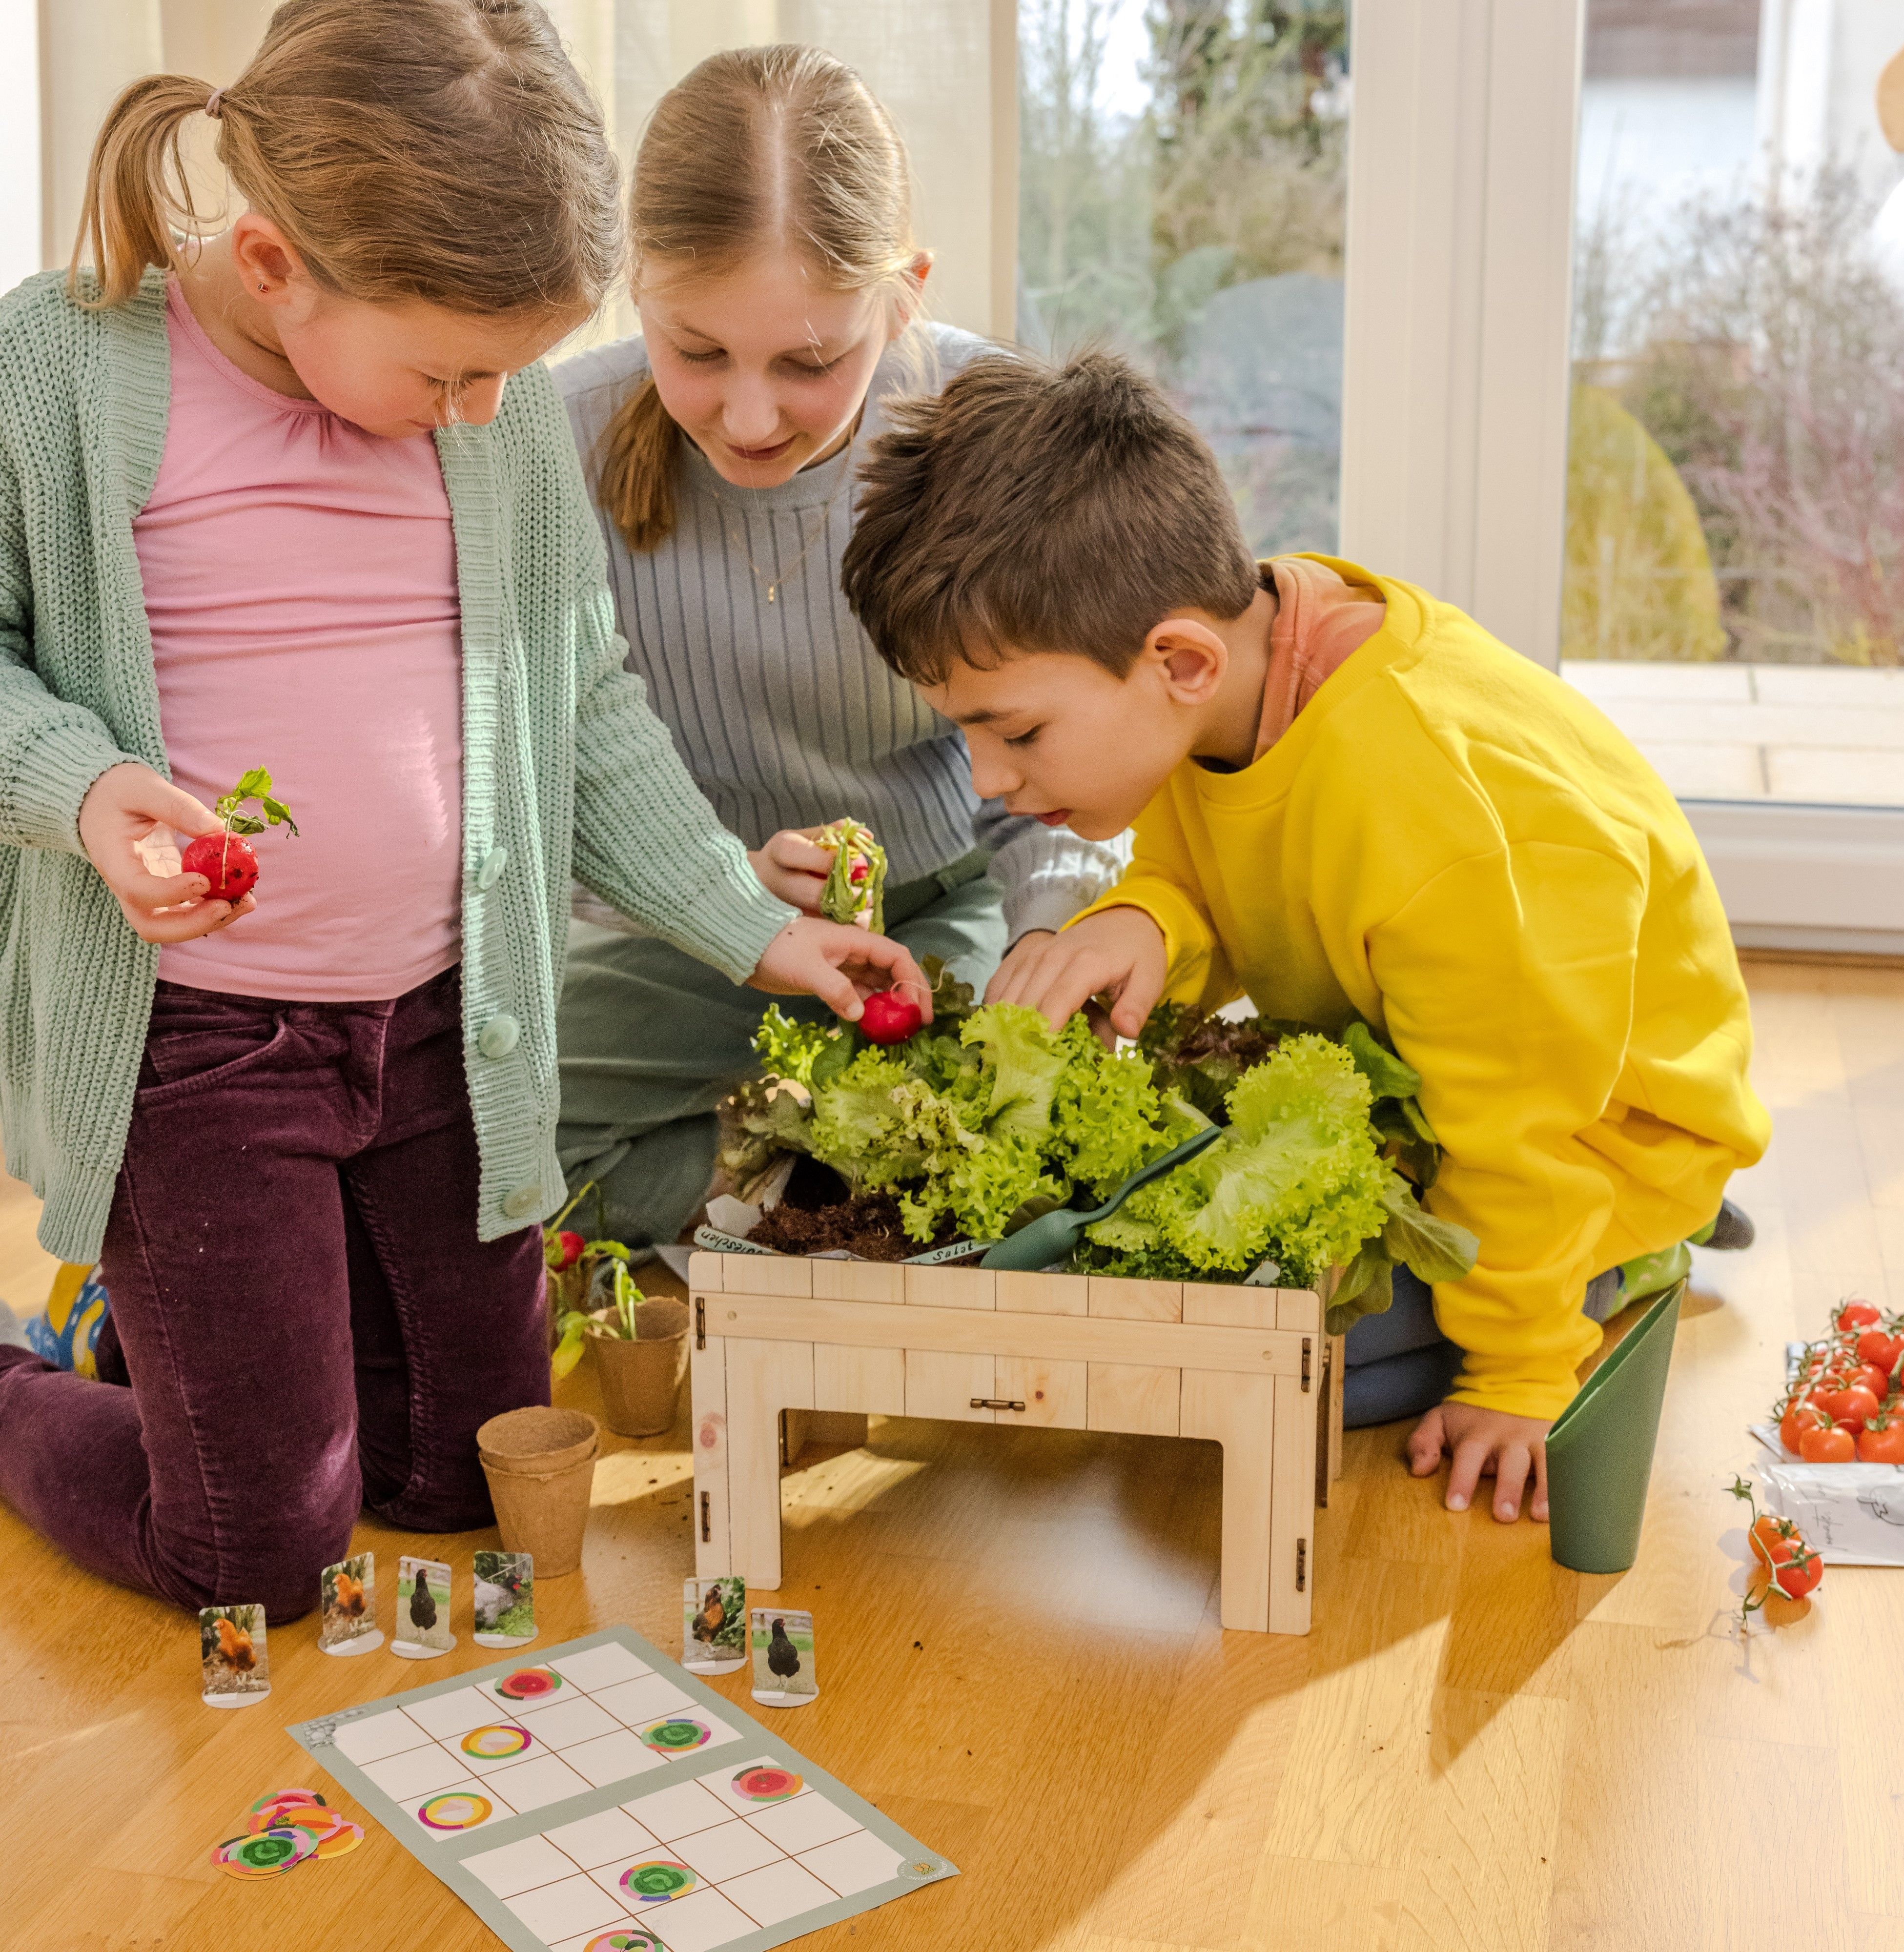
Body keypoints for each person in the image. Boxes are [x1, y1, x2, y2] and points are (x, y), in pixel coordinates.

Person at [0, 0, 922, 1623]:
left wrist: (755, 931)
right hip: (201, 1051)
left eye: (516, 369)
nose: (495, 412)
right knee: (265, 1560)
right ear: (279, 265)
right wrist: (82, 796)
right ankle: (31, 1386)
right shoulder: (57, 365)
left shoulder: (483, 430)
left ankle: (201, 1354)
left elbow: (584, 711)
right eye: (452, 370)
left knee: (464, 1477)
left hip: (450, 1034)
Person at [839, 349, 1772, 1525]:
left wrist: (1518, 1376)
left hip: (1582, 1130)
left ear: (1178, 660)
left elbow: (1517, 1129)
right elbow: (1221, 864)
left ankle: (1635, 1240)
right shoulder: (1233, 668)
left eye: (1015, 729)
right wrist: (1141, 916)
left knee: (1277, 1368)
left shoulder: (1445, 818)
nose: (986, 776)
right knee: (1207, 1332)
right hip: (1443, 1081)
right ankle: (1592, 1252)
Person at [550, 45, 1119, 1248]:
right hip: (691, 933)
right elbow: (541, 798)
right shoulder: (556, 445)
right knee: (479, 1129)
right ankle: (803, 1193)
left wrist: (1048, 943)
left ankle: (800, 1191)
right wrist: (713, 892)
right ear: (633, 287)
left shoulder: (985, 429)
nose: (748, 417)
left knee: (1023, 1161)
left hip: (927, 925)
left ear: (903, 293)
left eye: (811, 362)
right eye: (696, 350)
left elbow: (1054, 775)